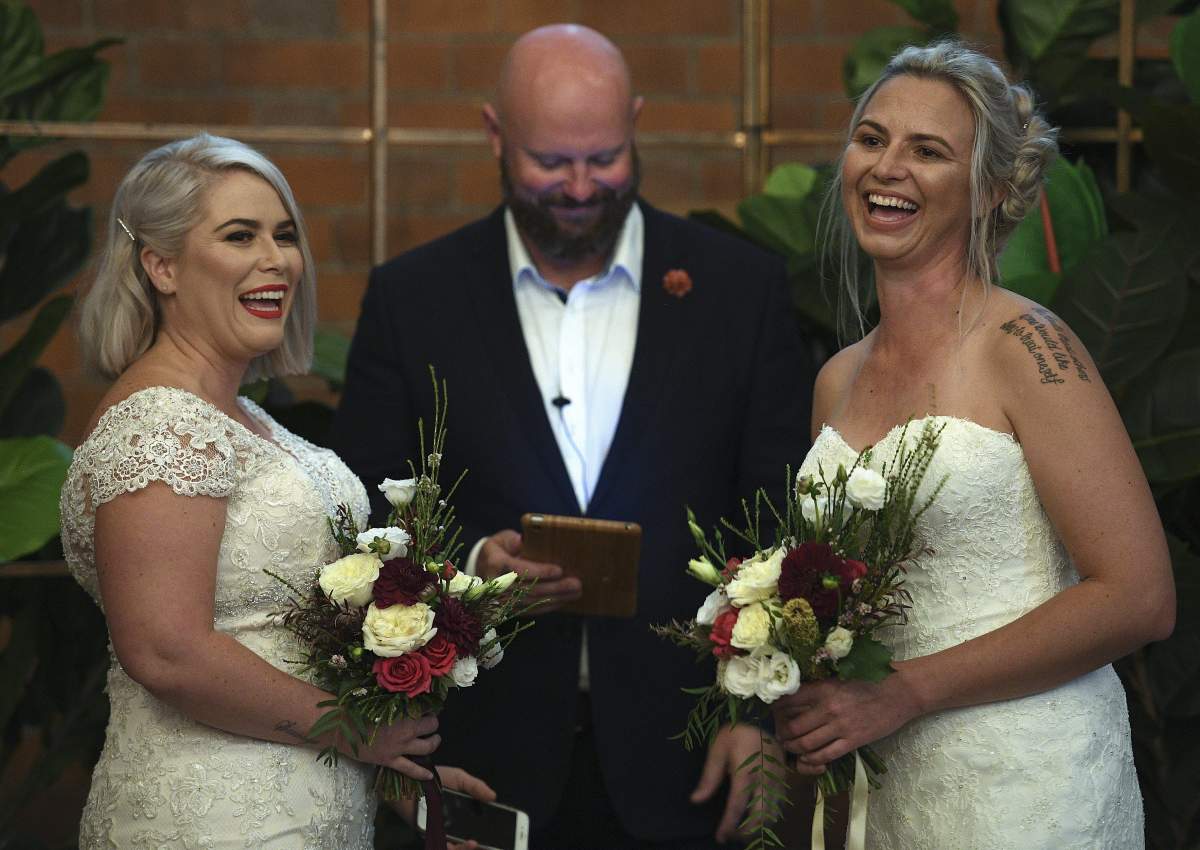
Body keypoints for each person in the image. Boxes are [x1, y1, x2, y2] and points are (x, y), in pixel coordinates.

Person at [332, 24, 813, 850]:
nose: (582, 186)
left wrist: (757, 718)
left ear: (635, 122)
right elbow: (362, 512)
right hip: (483, 766)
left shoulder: (742, 290)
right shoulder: (415, 299)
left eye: (607, 157)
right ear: (494, 135)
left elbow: (777, 518)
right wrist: (477, 565)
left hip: (691, 764)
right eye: (551, 163)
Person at [770, 41, 1175, 849]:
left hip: (1024, 783)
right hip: (883, 790)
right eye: (872, 139)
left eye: (928, 151)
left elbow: (1139, 595)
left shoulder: (1026, 346)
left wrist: (906, 691)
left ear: (989, 189)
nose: (888, 169)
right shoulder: (837, 380)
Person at [61, 134, 491, 849]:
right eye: (240, 236)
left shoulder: (247, 420)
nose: (277, 259)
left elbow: (271, 651)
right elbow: (167, 651)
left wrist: (398, 785)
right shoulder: (164, 423)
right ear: (161, 265)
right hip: (208, 822)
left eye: (284, 235)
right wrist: (360, 734)